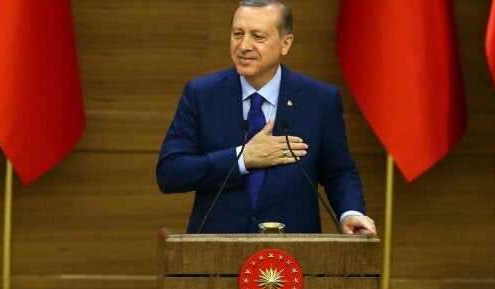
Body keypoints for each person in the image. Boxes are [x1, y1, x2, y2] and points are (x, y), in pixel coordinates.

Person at [156, 0, 376, 235]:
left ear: (285, 43)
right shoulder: (201, 94)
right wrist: (242, 158)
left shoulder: (320, 100)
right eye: (238, 34)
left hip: (294, 254)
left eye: (258, 37)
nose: (243, 46)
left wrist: (350, 213)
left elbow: (338, 172)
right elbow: (171, 172)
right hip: (216, 250)